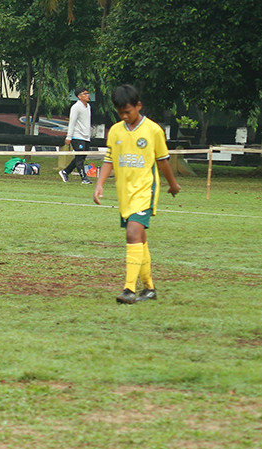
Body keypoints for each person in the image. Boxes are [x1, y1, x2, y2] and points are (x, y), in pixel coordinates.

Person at [93, 84, 181, 305]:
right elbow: (109, 160)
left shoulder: (153, 130)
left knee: (133, 233)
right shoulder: (115, 131)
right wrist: (99, 185)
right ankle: (149, 288)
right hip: (125, 194)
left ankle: (129, 290)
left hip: (145, 191)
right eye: (120, 112)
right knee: (139, 239)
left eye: (128, 111)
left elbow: (163, 161)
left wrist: (173, 184)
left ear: (138, 106)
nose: (124, 116)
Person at [59, 87, 93, 184]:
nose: (87, 95)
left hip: (86, 136)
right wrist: (69, 136)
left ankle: (65, 171)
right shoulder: (76, 107)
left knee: (81, 157)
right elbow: (72, 122)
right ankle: (84, 178)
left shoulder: (88, 107)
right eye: (85, 94)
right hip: (77, 136)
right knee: (79, 157)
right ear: (79, 96)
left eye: (88, 93)